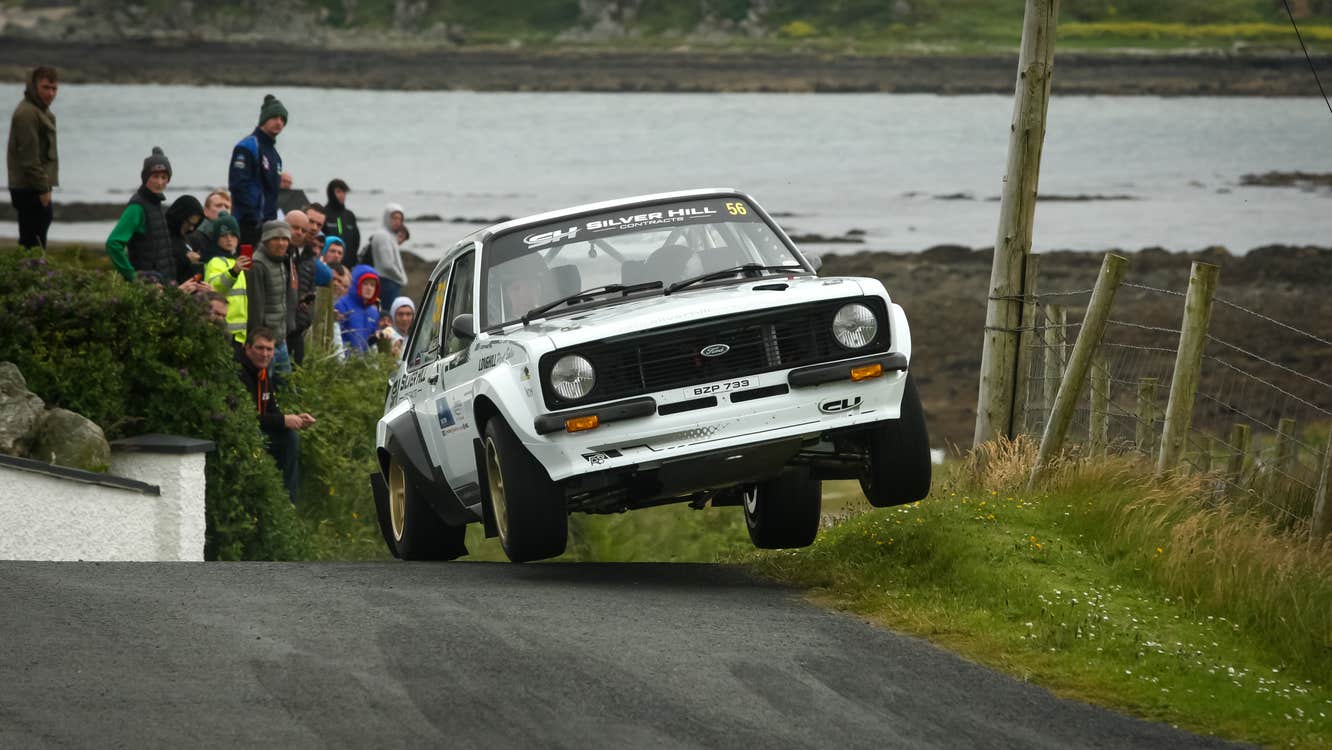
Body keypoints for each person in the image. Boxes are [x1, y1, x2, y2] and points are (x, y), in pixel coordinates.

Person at [236, 327, 315, 504]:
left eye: (269, 349)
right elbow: (247, 417)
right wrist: (284, 420)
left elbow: (272, 410)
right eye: (260, 348)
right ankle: (258, 499)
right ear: (247, 348)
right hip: (241, 433)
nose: (265, 354)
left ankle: (287, 502)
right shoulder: (239, 373)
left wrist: (295, 419)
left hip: (259, 429)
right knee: (259, 437)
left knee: (290, 437)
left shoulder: (263, 374)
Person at [106, 147, 203, 290]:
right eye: (155, 176)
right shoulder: (137, 207)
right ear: (146, 177)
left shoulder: (156, 204)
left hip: (165, 288)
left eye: (164, 177)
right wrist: (133, 277)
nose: (159, 182)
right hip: (149, 291)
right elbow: (113, 244)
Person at [7, 66, 58, 249]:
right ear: (33, 87)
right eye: (46, 88)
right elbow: (29, 157)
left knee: (37, 238)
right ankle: (29, 275)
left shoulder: (42, 112)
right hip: (29, 187)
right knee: (32, 242)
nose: (51, 93)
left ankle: (33, 274)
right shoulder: (27, 113)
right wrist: (43, 189)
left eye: (54, 89)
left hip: (37, 185)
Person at [228, 94, 287, 247]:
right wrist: (252, 217)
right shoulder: (248, 146)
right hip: (246, 224)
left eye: (282, 119)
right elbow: (237, 185)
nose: (279, 122)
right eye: (275, 117)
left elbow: (272, 193)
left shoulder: (275, 156)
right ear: (264, 119)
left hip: (267, 226)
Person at [246, 219, 297, 374]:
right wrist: (259, 344)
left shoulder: (282, 261)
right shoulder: (257, 265)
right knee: (264, 389)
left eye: (285, 239)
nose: (281, 243)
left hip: (280, 339)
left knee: (286, 389)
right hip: (265, 345)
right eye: (276, 239)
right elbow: (255, 307)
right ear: (266, 240)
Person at [203, 212, 250, 345]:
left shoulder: (234, 261)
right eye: (224, 236)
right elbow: (216, 287)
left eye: (233, 235)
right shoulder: (215, 261)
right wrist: (233, 272)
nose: (229, 239)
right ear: (216, 239)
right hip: (223, 331)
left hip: (239, 333)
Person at [285, 209, 318, 365]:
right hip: (279, 328)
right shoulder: (279, 256)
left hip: (298, 325)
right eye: (295, 228)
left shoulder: (308, 258)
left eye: (303, 230)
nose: (315, 227)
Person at [335, 264, 383, 354]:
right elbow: (336, 337)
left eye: (372, 285)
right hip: (343, 361)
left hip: (363, 364)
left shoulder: (373, 312)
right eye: (365, 284)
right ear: (357, 284)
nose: (369, 288)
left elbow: (370, 344)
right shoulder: (342, 304)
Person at [367, 203, 408, 303]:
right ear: (387, 218)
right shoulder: (383, 236)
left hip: (390, 281)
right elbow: (387, 265)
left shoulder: (390, 235)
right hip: (386, 282)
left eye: (400, 219)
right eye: (394, 218)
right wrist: (401, 278)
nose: (397, 222)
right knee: (388, 313)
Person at [165, 195, 205, 284]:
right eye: (189, 223)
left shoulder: (187, 238)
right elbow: (160, 267)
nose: (191, 228)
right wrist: (185, 259)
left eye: (195, 225)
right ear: (180, 216)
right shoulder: (163, 236)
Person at [191, 189, 231, 263]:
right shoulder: (195, 237)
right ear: (205, 211)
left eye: (227, 207)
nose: (224, 209)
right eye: (218, 205)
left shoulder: (232, 239)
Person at [322, 178, 360, 258]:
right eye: (338, 192)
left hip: (348, 263)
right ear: (331, 193)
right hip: (327, 261)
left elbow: (356, 240)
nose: (342, 195)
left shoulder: (349, 215)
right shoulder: (323, 214)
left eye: (344, 192)